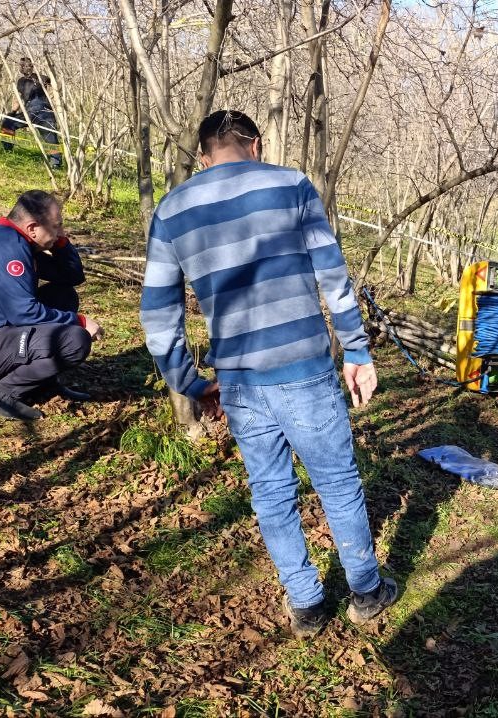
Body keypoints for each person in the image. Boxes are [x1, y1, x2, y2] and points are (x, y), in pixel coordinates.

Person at [140, 110, 396, 637]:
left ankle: (306, 604)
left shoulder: (172, 209)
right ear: (255, 145)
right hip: (303, 367)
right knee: (337, 482)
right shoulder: (291, 185)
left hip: (237, 379)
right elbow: (332, 273)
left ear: (204, 157)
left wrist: (190, 382)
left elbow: (158, 317)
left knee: (272, 491)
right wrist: (356, 350)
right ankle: (366, 591)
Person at [0, 190, 101, 421]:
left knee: (63, 295)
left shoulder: (13, 238)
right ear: (32, 228)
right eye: (57, 226)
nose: (62, 232)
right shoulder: (3, 248)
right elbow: (25, 313)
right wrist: (80, 321)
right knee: (74, 340)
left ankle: (41, 382)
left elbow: (71, 275)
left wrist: (59, 241)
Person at [0, 57, 62, 168]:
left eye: (22, 65)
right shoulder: (41, 78)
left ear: (24, 67)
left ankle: (7, 151)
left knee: (8, 123)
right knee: (50, 137)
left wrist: (13, 113)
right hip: (44, 111)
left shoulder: (25, 81)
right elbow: (56, 88)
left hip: (37, 111)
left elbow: (17, 100)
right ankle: (56, 164)